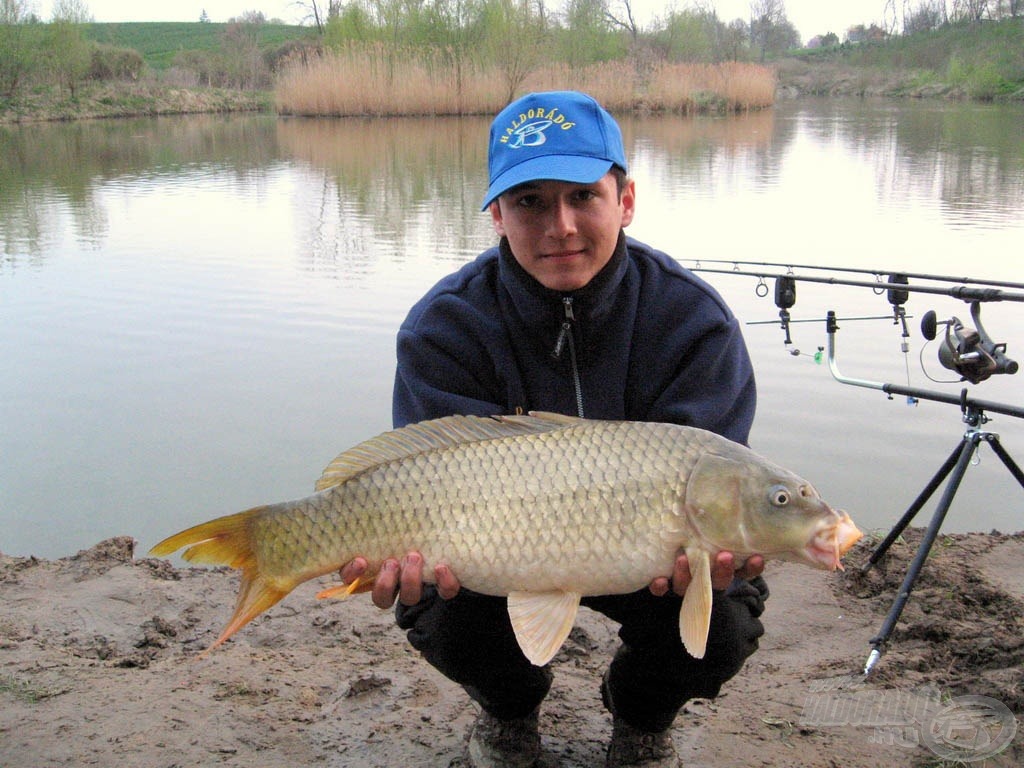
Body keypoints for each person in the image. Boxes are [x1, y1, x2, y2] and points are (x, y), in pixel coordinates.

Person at [341, 90, 768, 768]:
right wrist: (388, 552)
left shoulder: (693, 323)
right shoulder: (446, 327)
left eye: (583, 197)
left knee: (724, 614)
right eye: (530, 202)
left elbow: (716, 479)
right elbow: (421, 478)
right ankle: (509, 714)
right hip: (499, 548)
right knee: (439, 609)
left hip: (648, 550)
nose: (560, 226)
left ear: (625, 202)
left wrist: (720, 548)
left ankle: (640, 720)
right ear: (495, 215)